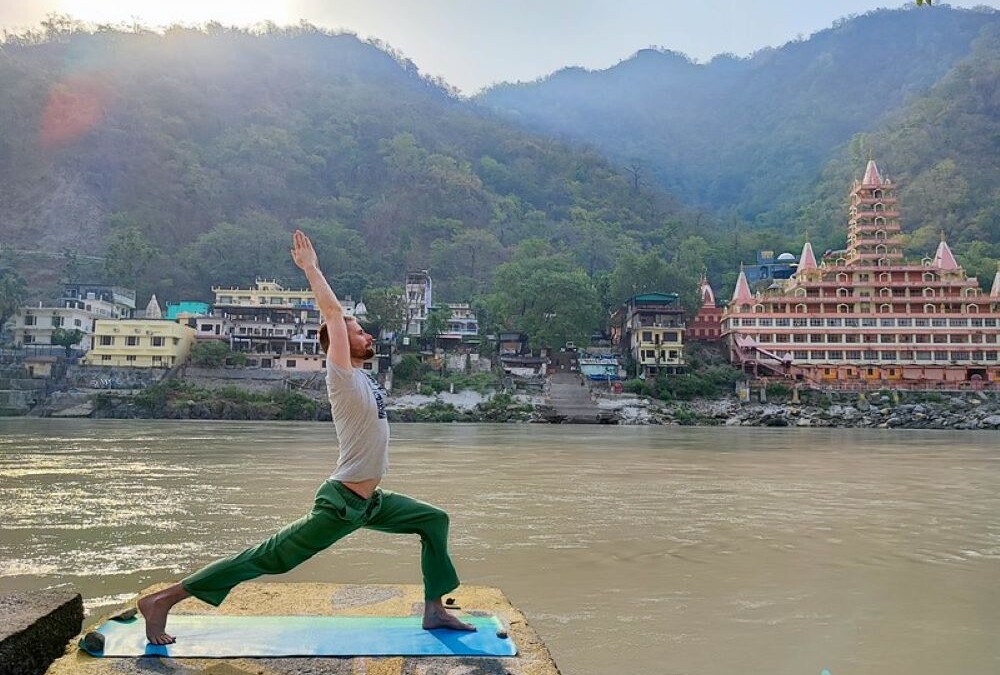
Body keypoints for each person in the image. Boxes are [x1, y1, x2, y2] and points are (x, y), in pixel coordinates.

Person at [137, 229, 474, 645]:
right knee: (268, 558)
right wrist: (312, 269)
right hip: (342, 506)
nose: (367, 335)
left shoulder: (365, 379)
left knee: (433, 520)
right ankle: (165, 600)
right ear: (337, 343)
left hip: (372, 504)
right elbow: (332, 314)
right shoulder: (342, 375)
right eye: (358, 330)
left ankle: (434, 609)